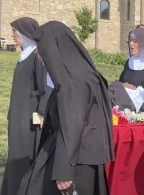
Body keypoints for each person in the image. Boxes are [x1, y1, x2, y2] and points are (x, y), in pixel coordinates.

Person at [17, 21, 114, 195]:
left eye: (40, 45)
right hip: (74, 153)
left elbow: (72, 126)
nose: (38, 51)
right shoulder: (75, 74)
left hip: (75, 159)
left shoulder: (75, 81)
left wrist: (64, 170)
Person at [1, 17, 51, 195]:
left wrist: (41, 114)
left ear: (24, 33)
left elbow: (45, 89)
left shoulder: (37, 56)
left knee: (25, 154)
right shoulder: (25, 55)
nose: (13, 35)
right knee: (15, 153)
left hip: (30, 117)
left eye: (15, 31)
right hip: (17, 114)